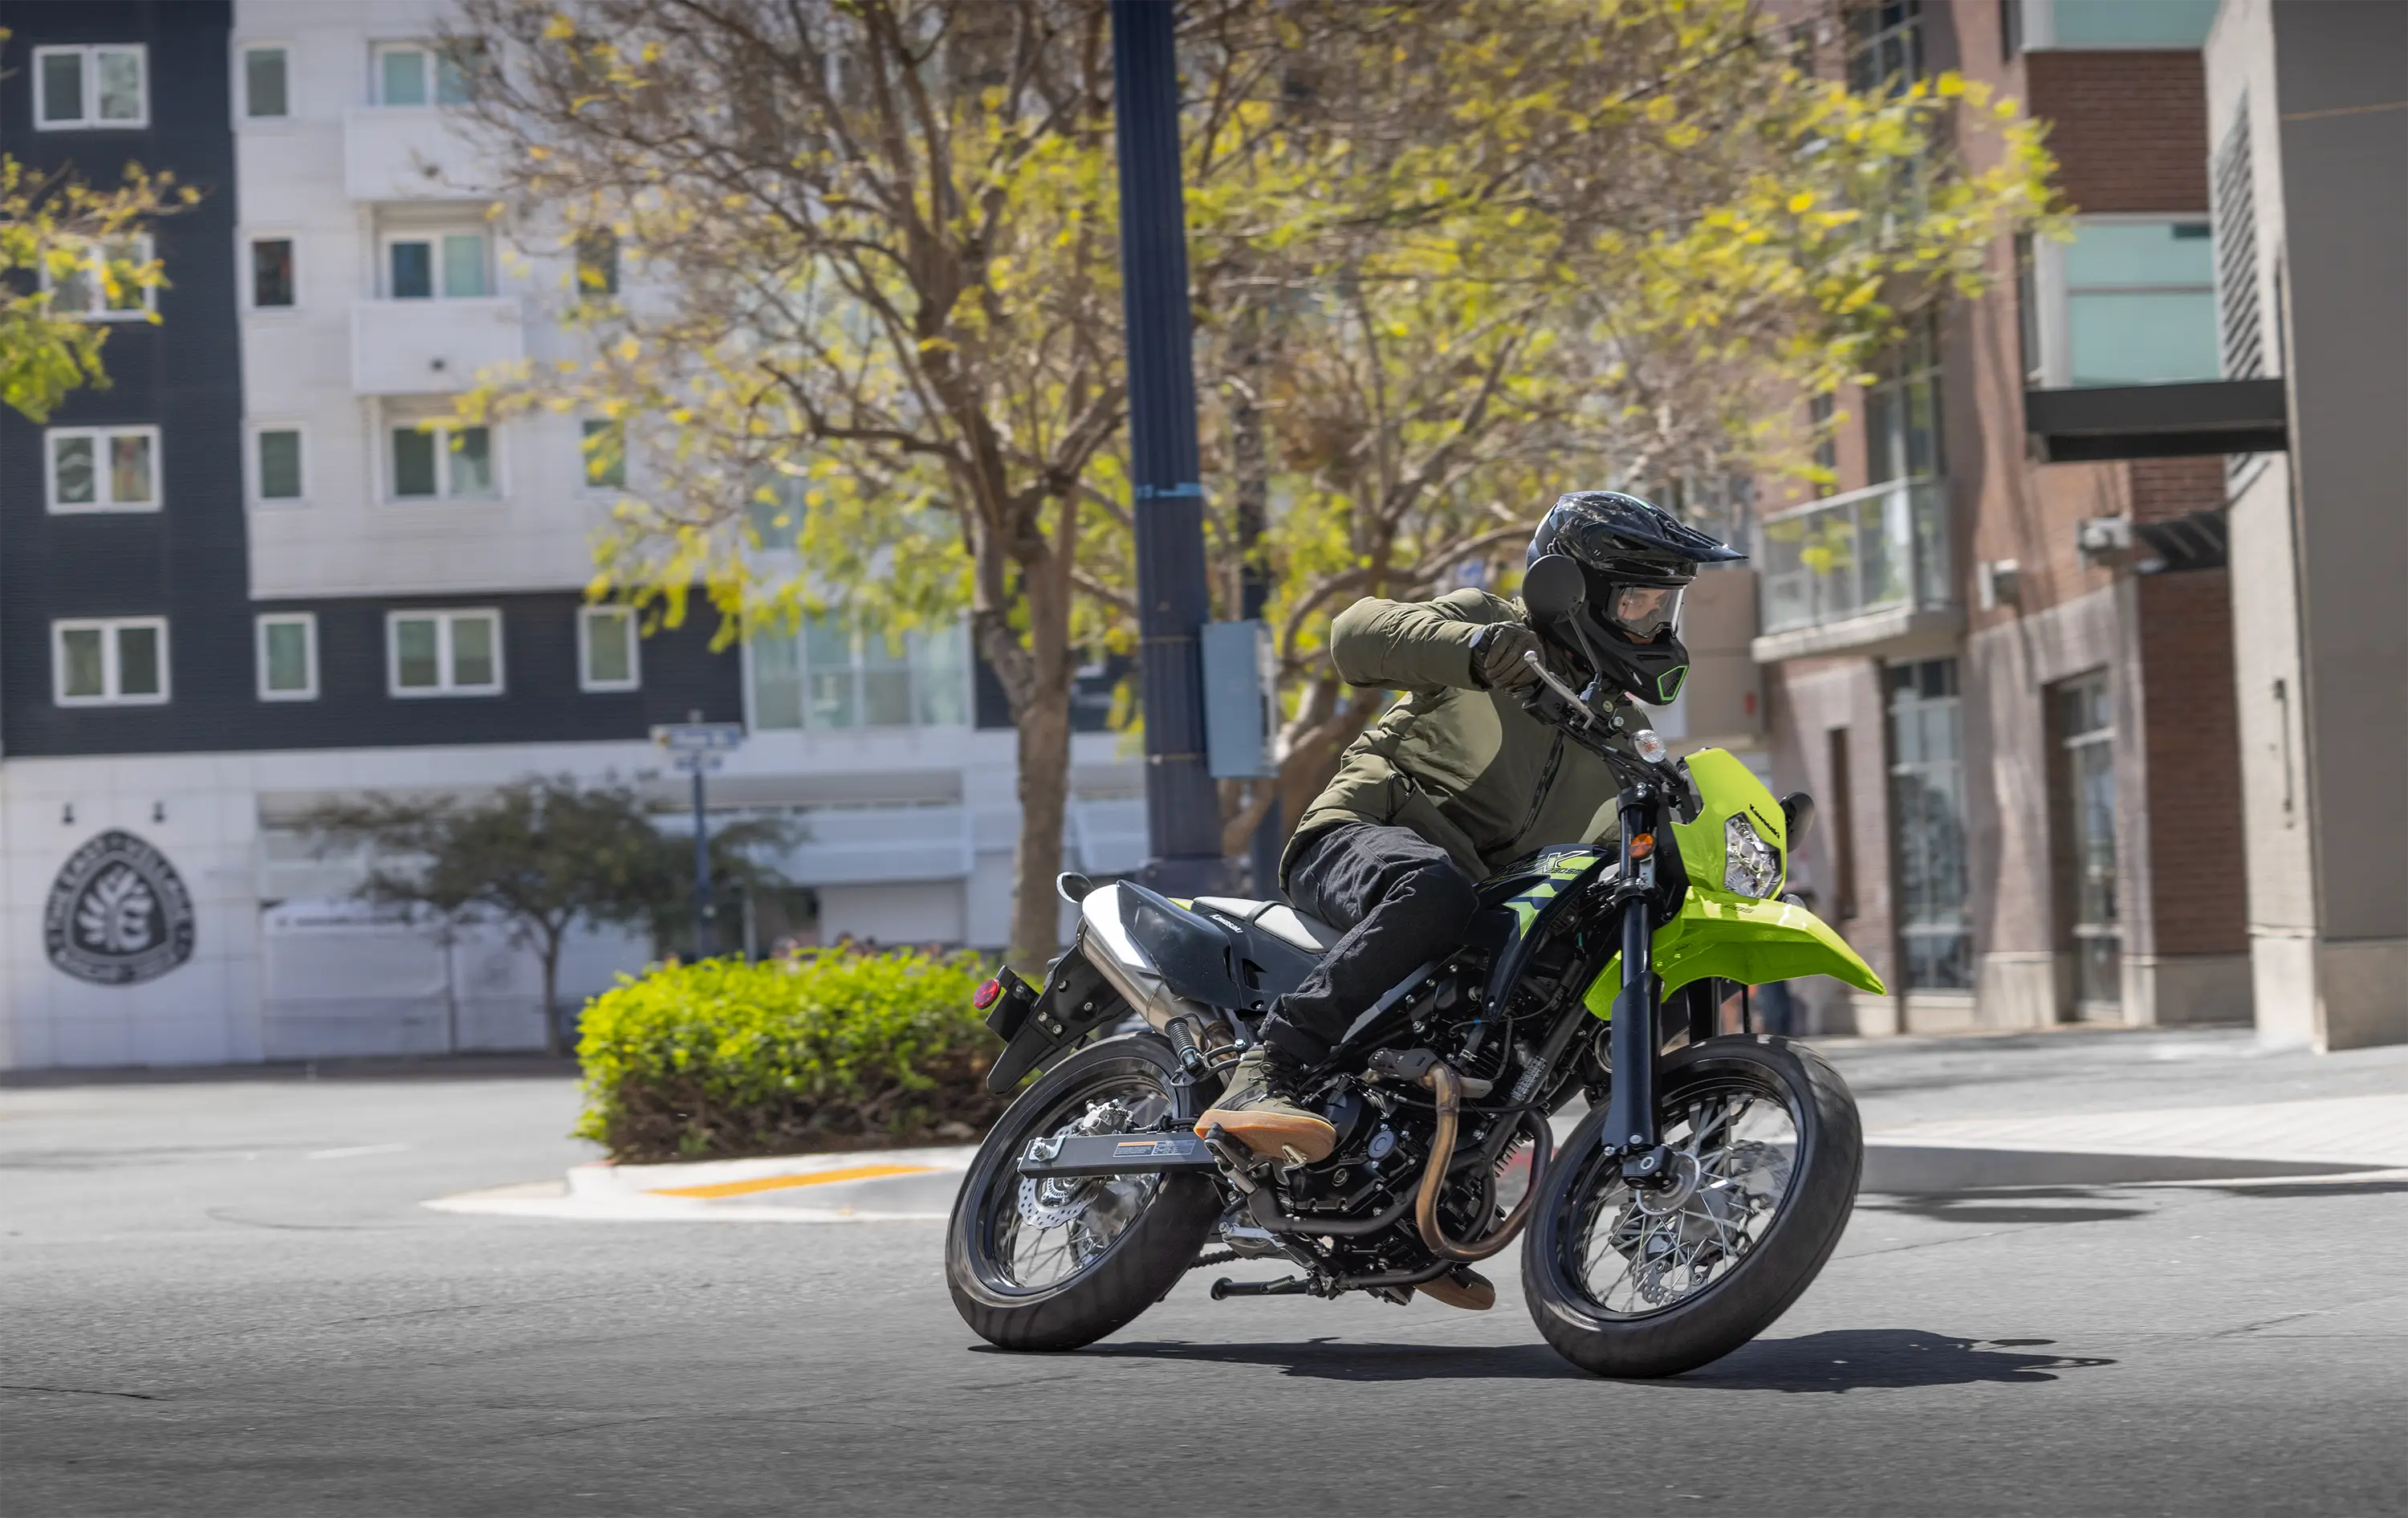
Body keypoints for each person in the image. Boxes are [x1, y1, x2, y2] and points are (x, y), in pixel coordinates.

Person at [1195, 491, 1746, 1168]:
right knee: (1435, 889)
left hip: (1479, 913)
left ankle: (1453, 1177)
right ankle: (1267, 1068)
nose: (1656, 619)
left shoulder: (1622, 732)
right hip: (1362, 839)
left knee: (1571, 982)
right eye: (1639, 600)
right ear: (1572, 590)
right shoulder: (1486, 624)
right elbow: (1355, 636)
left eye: (1666, 605)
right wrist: (1476, 649)